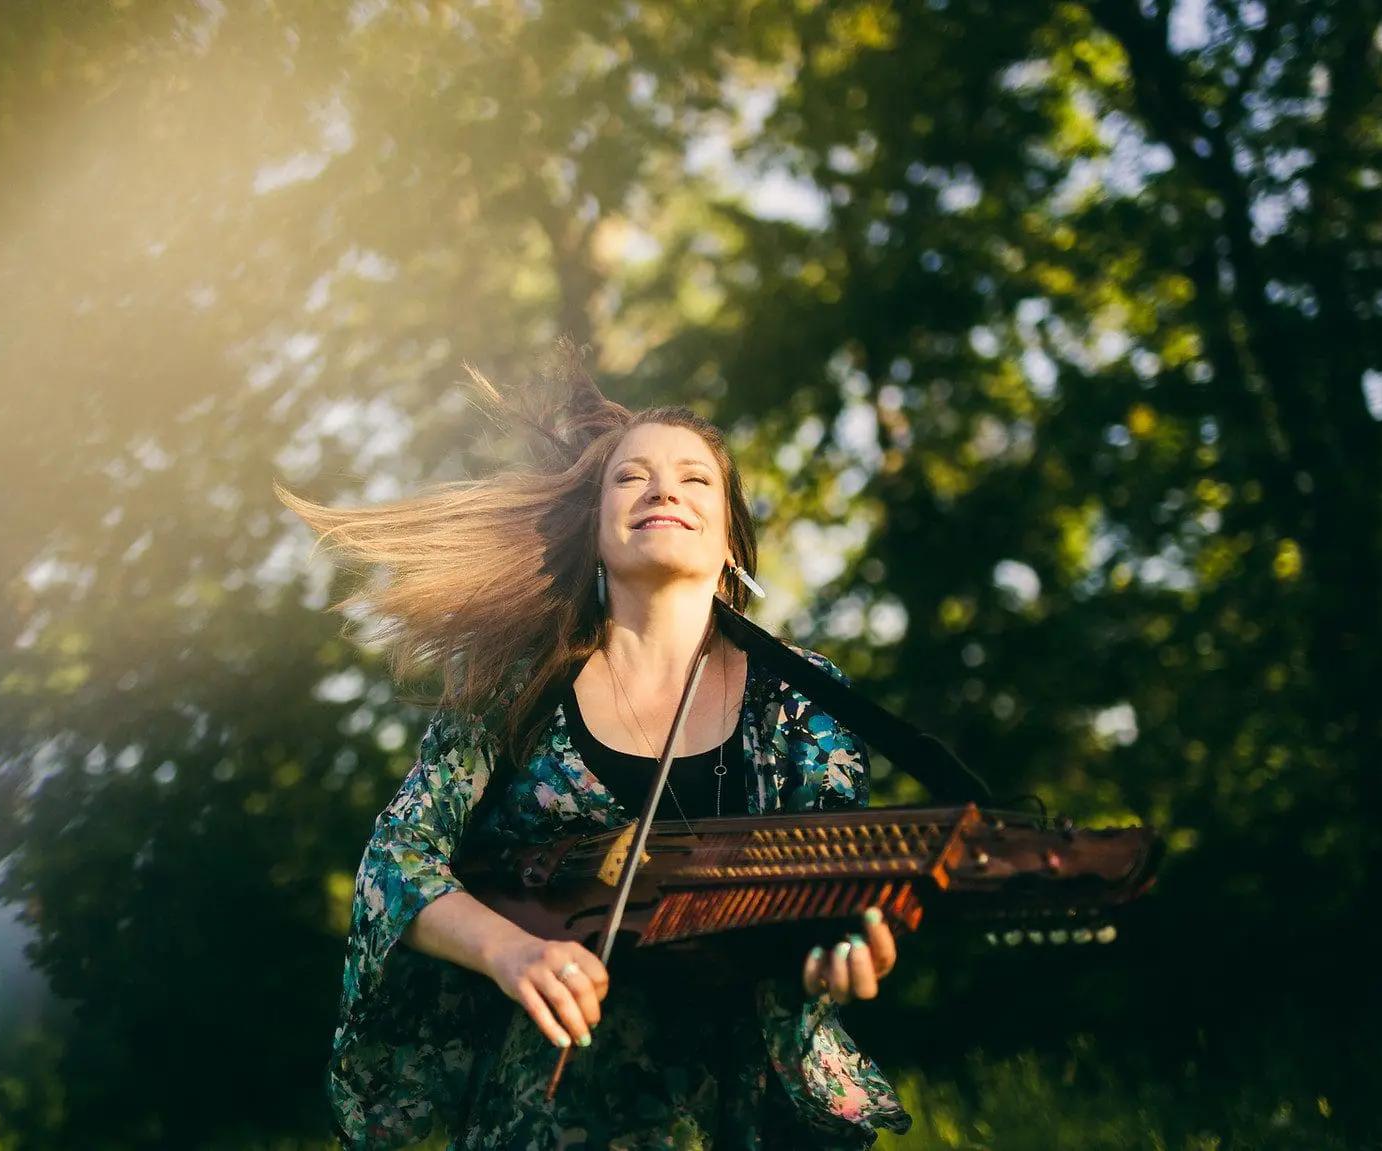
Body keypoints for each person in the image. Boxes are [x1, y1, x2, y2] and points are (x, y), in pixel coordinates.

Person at [275, 339, 912, 1149]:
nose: (662, 490)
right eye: (631, 475)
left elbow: (832, 871)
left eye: (694, 478)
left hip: (753, 1115)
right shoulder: (516, 685)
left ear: (729, 541)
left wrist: (833, 948)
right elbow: (395, 862)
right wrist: (510, 952)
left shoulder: (802, 694)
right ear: (598, 529)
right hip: (551, 1113)